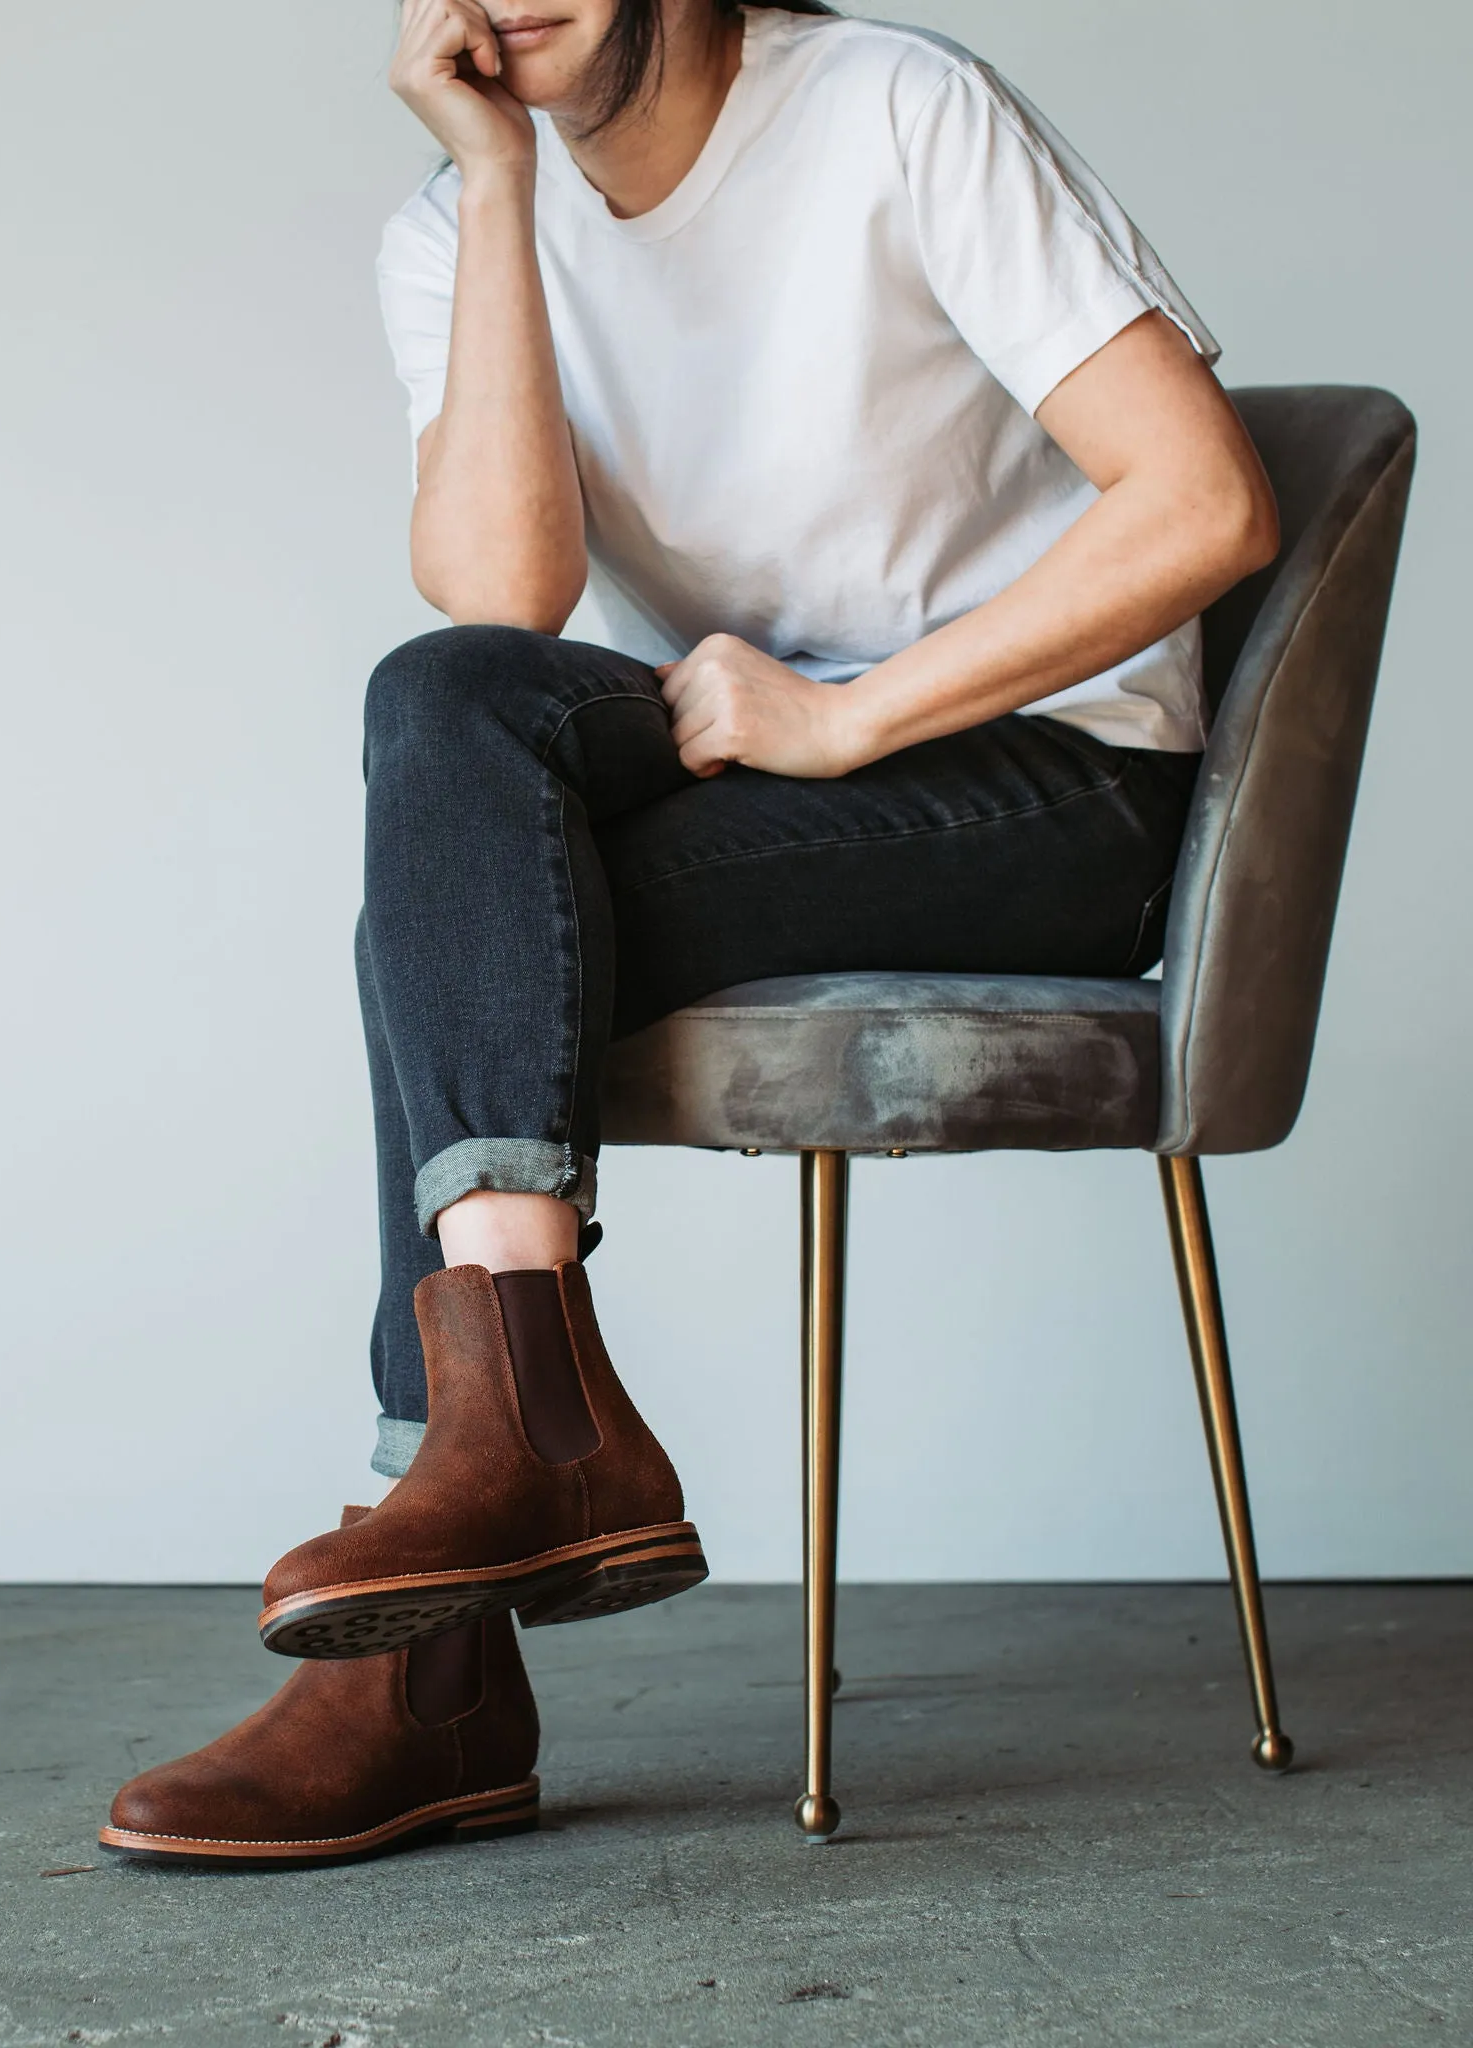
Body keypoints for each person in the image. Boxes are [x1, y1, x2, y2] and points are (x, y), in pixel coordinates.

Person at [101, 0, 1277, 1865]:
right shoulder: (450, 224)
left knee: (466, 920)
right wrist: (497, 186)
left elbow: (1206, 500)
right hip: (764, 746)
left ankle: (442, 1652)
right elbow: (503, 602)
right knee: (444, 717)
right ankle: (529, 1424)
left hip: (1039, 772)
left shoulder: (897, 110)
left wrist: (855, 715)